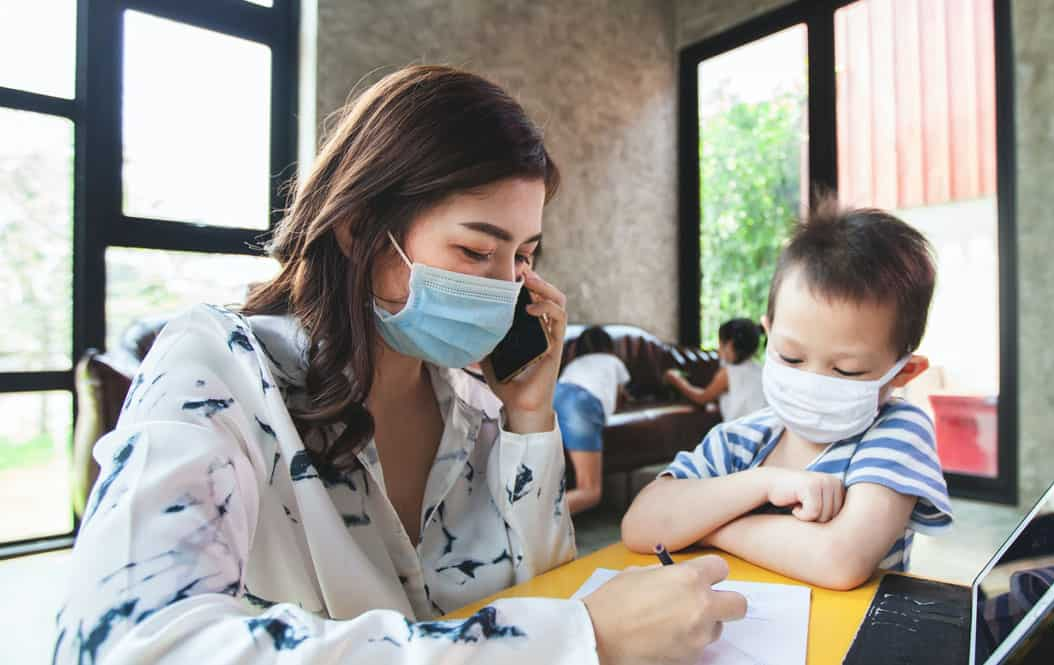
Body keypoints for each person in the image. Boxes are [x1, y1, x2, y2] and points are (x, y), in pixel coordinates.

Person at [54, 65, 745, 665]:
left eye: (525, 257)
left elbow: (540, 592)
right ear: (361, 231)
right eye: (477, 252)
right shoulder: (218, 370)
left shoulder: (475, 411)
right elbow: (119, 645)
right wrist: (578, 640)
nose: (508, 288)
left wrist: (531, 414)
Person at [622, 195, 954, 591]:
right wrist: (762, 483)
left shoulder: (898, 433)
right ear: (769, 333)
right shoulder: (740, 441)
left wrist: (707, 527)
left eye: (847, 370)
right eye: (791, 357)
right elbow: (641, 526)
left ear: (904, 372)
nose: (812, 379)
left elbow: (840, 560)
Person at [553, 326, 631, 514]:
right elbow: (622, 396)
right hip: (581, 403)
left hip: (554, 394)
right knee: (590, 492)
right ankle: (530, 520)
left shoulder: (574, 364)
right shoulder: (614, 361)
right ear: (609, 346)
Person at [663, 318, 766, 421]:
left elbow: (702, 398)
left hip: (740, 432)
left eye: (720, 344)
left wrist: (677, 380)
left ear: (729, 345)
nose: (718, 350)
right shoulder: (761, 370)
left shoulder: (728, 373)